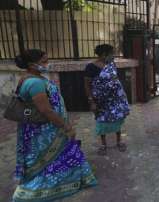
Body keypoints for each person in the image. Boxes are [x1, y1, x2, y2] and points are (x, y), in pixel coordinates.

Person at [12, 49, 97, 201]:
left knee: (53, 157)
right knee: (45, 159)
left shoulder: (31, 77)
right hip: (45, 131)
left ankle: (62, 183)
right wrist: (66, 127)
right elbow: (46, 110)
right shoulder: (34, 83)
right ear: (32, 64)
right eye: (44, 61)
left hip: (43, 129)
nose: (47, 64)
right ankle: (37, 191)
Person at [84, 44, 130, 155]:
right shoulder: (91, 67)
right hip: (101, 100)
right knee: (101, 121)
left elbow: (115, 79)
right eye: (112, 53)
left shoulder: (111, 63)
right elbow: (87, 84)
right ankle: (103, 144)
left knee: (118, 118)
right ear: (104, 54)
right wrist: (91, 101)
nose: (113, 55)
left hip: (116, 99)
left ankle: (119, 141)